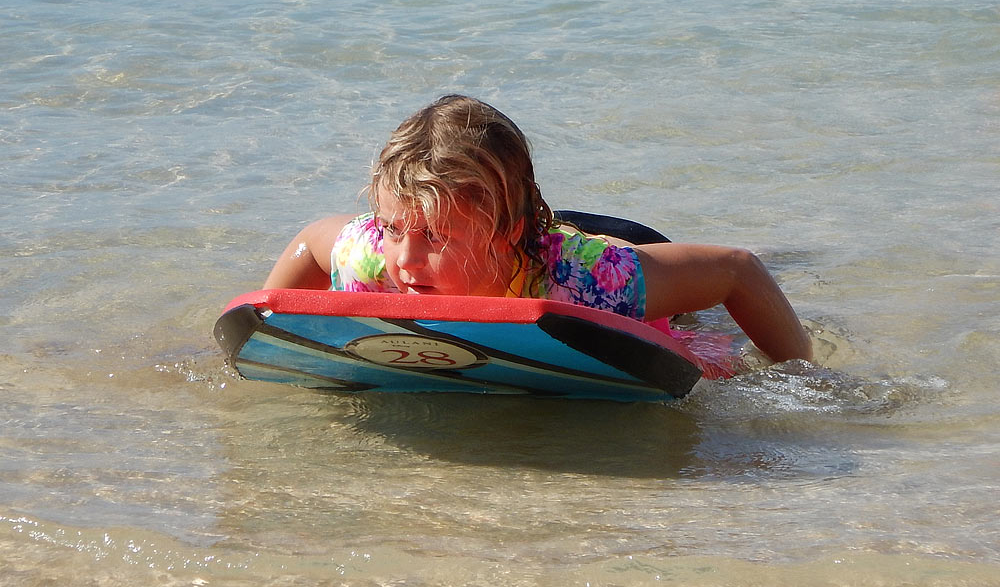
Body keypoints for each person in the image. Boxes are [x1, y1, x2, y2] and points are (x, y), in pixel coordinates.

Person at [264, 95, 813, 364]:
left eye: (434, 238)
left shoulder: (592, 281)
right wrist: (265, 326)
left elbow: (737, 272)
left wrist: (803, 380)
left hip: (611, 246)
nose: (405, 260)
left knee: (712, 299)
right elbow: (312, 239)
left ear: (507, 230)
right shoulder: (373, 258)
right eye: (393, 228)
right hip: (514, 231)